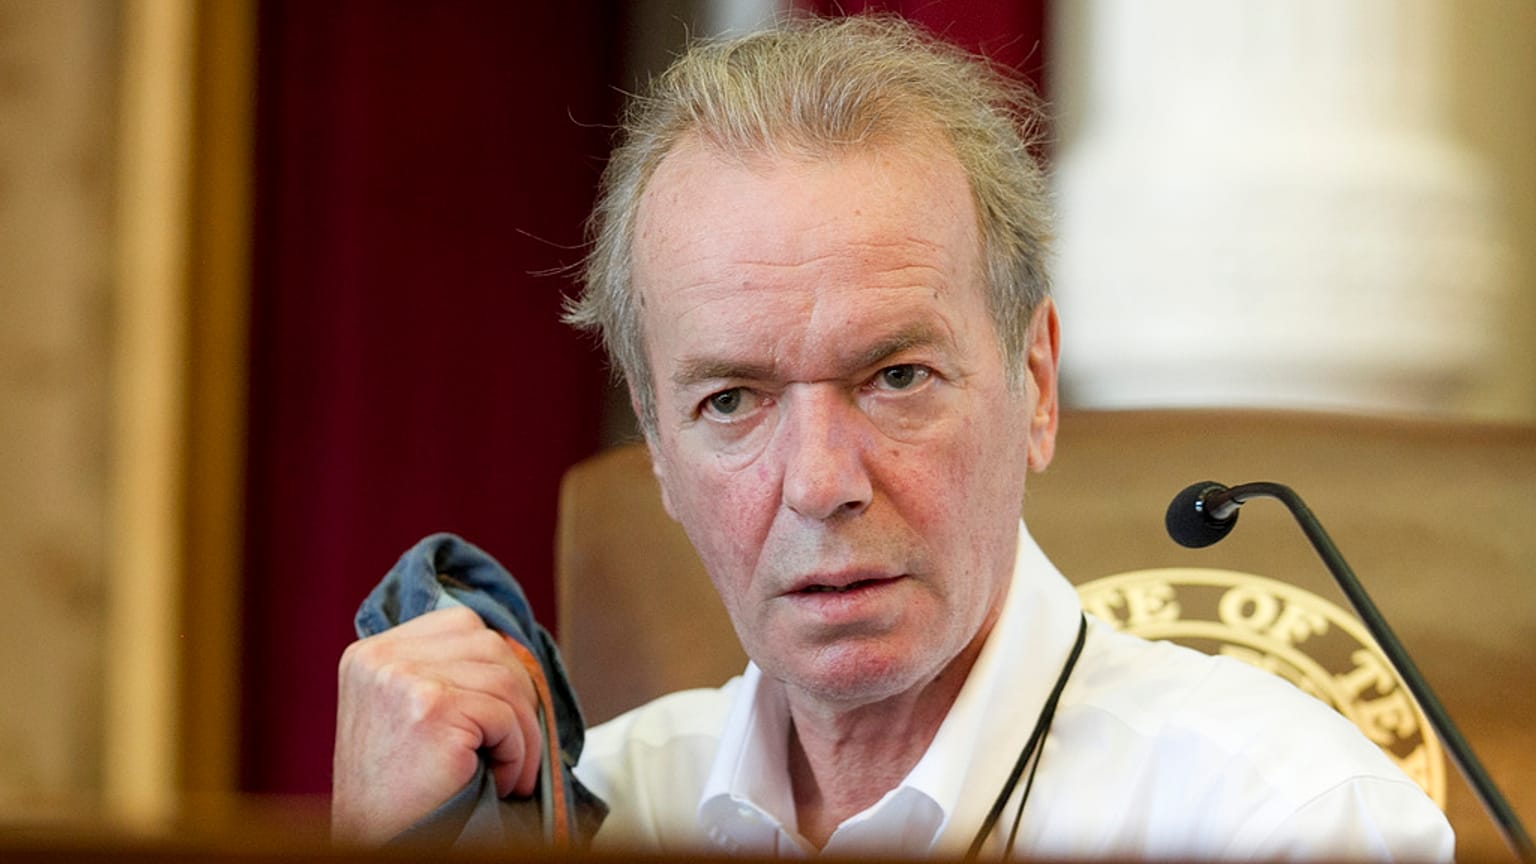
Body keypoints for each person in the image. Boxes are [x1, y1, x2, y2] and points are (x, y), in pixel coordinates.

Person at [333, 15, 1455, 860]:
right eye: (732, 400)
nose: (822, 483)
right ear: (662, 447)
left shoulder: (1283, 819)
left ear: (1035, 384)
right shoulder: (595, 819)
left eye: (897, 377)